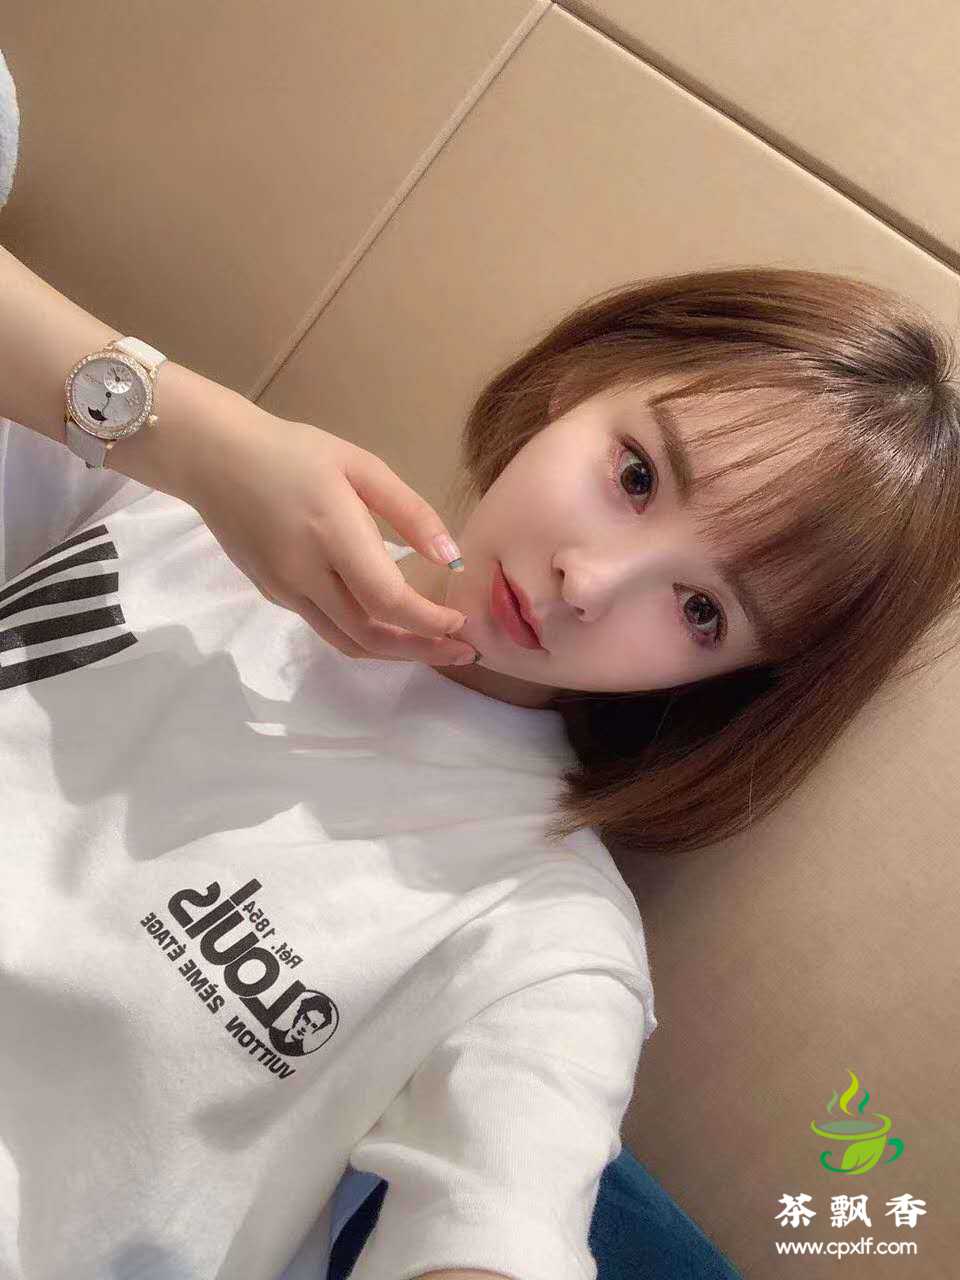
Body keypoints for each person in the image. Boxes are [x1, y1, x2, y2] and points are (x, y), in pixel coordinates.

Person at [2, 245, 959, 1280]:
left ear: (731, 677)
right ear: (579, 380)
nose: (590, 582)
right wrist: (187, 431)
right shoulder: (177, 511)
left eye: (700, 610)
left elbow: (502, 1216)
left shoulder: (547, 939)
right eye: (637, 476)